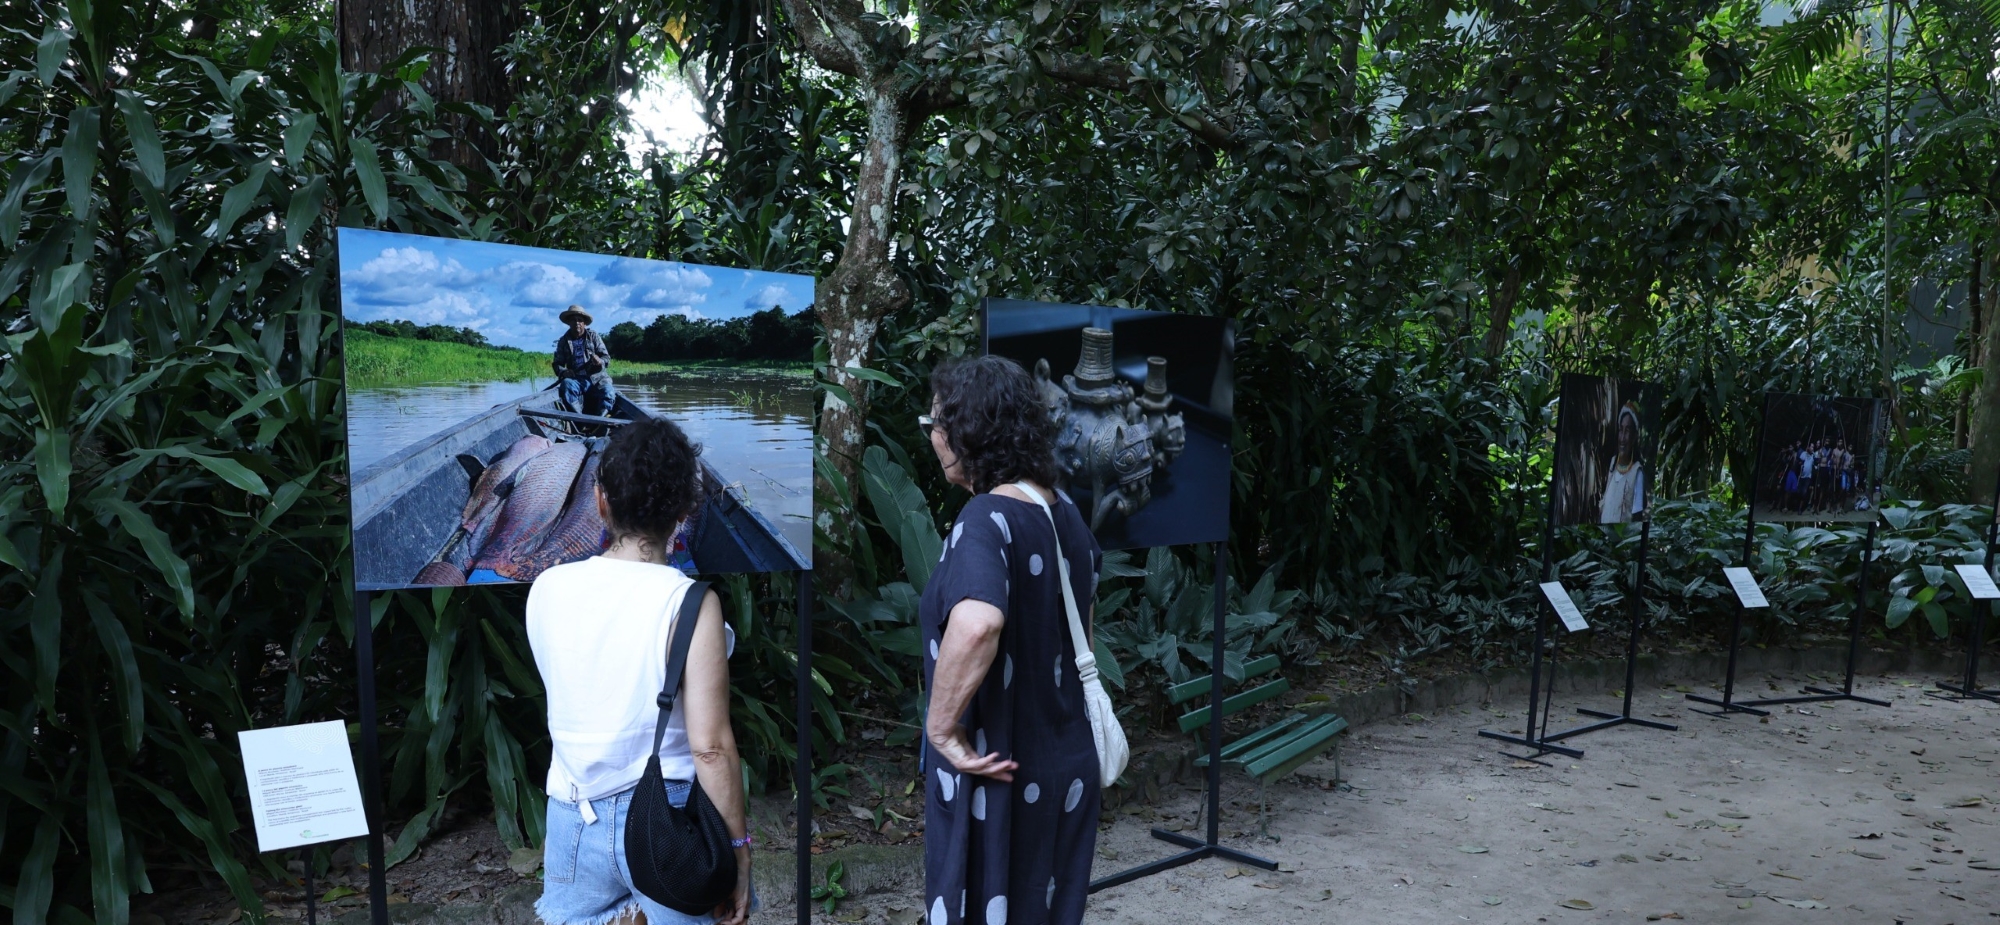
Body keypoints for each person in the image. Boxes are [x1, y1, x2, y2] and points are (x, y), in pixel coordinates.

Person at [527, 418, 754, 925]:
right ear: (683, 511)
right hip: (667, 824)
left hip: (571, 815)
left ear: (601, 502)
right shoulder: (690, 603)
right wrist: (738, 850)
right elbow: (711, 747)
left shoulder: (546, 588)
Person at [920, 355, 1103, 925]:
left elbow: (978, 624)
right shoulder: (1063, 510)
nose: (931, 437)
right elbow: (1082, 632)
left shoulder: (986, 518)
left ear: (963, 435)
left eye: (935, 425)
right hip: (1065, 761)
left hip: (995, 769)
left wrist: (941, 728)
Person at [554, 305, 616, 416]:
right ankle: (579, 420)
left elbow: (606, 358)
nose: (577, 323)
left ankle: (601, 421)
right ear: (569, 323)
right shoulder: (563, 341)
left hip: (597, 379)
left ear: (584, 323)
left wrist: (599, 361)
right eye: (573, 320)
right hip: (576, 380)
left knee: (609, 392)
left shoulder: (593, 336)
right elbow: (557, 364)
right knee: (566, 385)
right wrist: (564, 371)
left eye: (579, 320)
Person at [1597, 401, 1645, 524]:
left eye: (1627, 431)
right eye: (1621, 430)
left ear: (1634, 437)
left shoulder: (1637, 473)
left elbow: (1637, 516)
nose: (1622, 438)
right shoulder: (1613, 464)